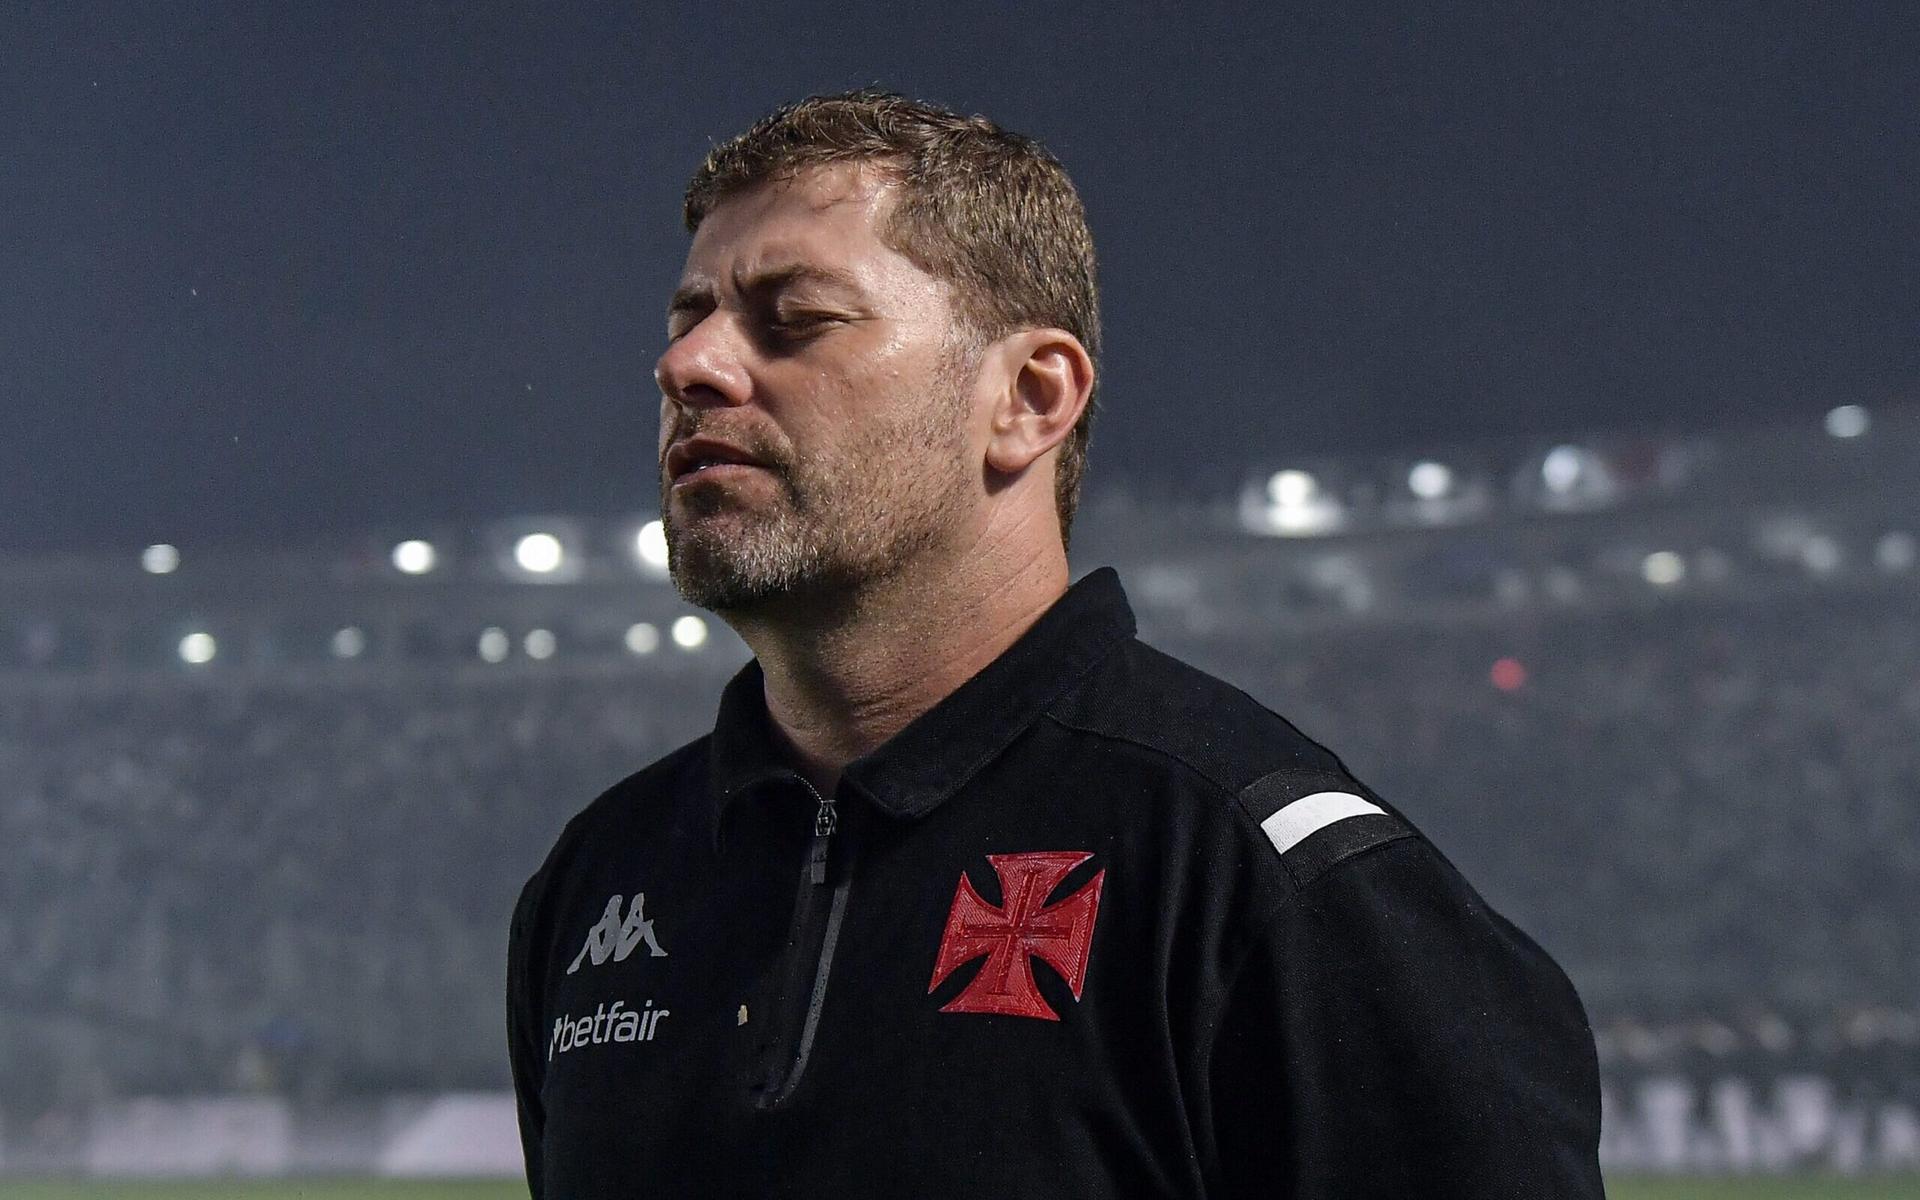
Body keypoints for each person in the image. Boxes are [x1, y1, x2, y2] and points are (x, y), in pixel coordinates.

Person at [507, 87, 1604, 1198]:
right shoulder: (600, 883)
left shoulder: (1276, 887)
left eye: (794, 320)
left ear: (1029, 398)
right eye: (686, 318)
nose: (688, 367)